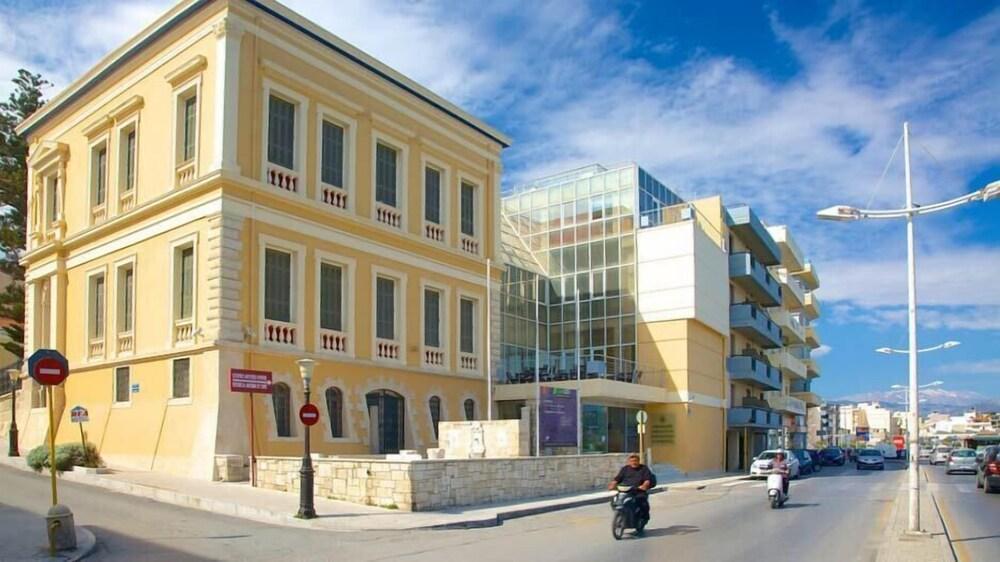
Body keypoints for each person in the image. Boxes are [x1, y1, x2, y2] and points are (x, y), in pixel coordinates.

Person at [608, 453, 654, 527]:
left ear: (639, 461)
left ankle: (644, 518)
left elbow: (647, 479)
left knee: (643, 503)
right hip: (625, 490)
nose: (634, 462)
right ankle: (621, 515)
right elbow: (617, 478)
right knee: (615, 500)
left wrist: (644, 486)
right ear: (629, 462)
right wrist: (612, 484)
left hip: (638, 491)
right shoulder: (625, 469)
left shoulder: (644, 468)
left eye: (635, 461)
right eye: (632, 461)